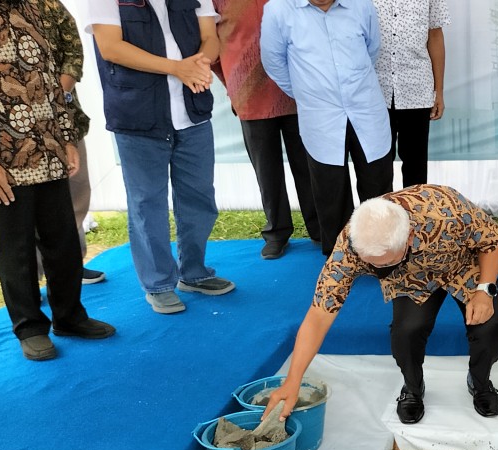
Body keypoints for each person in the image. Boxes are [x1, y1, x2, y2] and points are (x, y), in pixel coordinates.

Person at [0, 0, 115, 362]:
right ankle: (30, 327)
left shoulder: (33, 3)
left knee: (62, 238)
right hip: (0, 154)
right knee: (15, 247)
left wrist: (65, 135)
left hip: (48, 145)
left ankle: (70, 317)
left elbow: (49, 73)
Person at [262, 185, 498, 425]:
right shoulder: (350, 244)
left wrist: (485, 290)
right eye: (371, 264)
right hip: (411, 278)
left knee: (489, 328)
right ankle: (413, 388)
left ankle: (480, 382)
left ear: (409, 237)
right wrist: (293, 380)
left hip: (463, 263)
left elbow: (491, 241)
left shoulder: (448, 209)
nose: (377, 269)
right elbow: (319, 314)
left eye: (385, 263)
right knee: (406, 332)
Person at [88, 0, 236, 315]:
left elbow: (210, 37)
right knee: (147, 204)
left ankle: (194, 272)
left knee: (199, 197)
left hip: (192, 113)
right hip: (138, 115)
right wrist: (177, 68)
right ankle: (158, 285)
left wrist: (200, 63)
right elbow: (110, 47)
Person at [261, 0, 394, 257]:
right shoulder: (278, 10)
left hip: (365, 108)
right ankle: (340, 259)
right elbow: (274, 63)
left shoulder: (361, 5)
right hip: (320, 116)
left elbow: (372, 48)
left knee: (377, 185)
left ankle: (382, 254)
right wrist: (308, 91)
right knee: (330, 191)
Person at [213, 0, 321, 260]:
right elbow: (211, 45)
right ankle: (277, 232)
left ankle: (320, 228)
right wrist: (233, 85)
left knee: (308, 166)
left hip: (298, 90)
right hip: (249, 94)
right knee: (266, 170)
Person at [37, 0, 104, 284]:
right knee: (33, 202)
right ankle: (34, 274)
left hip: (65, 118)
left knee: (76, 190)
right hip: (12, 126)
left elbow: (73, 50)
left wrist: (56, 95)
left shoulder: (49, 4)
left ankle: (72, 265)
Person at [371, 0, 448, 188]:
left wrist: (439, 91)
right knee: (377, 169)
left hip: (416, 89)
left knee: (416, 167)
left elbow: (435, 36)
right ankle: (381, 208)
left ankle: (414, 208)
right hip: (375, 91)